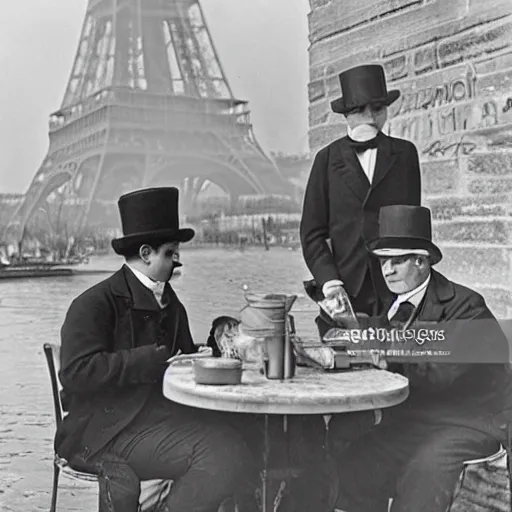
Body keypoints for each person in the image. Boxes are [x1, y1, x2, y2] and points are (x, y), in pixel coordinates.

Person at [55, 187, 258, 512]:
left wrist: (218, 338)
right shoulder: (93, 304)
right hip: (102, 430)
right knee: (222, 452)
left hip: (150, 421)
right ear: (147, 253)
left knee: (242, 435)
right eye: (171, 252)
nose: (177, 259)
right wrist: (150, 359)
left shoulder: (169, 301)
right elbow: (76, 374)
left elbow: (182, 359)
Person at [333, 204, 512, 512]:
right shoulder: (395, 307)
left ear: (421, 260)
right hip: (418, 420)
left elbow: (441, 371)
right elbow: (380, 338)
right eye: (384, 261)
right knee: (358, 462)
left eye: (397, 262)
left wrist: (388, 357)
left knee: (424, 472)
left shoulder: (467, 307)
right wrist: (347, 326)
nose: (387, 271)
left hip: (469, 423)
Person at [300, 64, 422, 333]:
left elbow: (413, 227)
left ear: (386, 111)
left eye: (377, 109)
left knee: (399, 366)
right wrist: (329, 280)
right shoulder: (326, 159)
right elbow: (311, 233)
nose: (369, 118)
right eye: (359, 110)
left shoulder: (405, 155)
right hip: (344, 293)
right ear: (345, 115)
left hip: (394, 292)